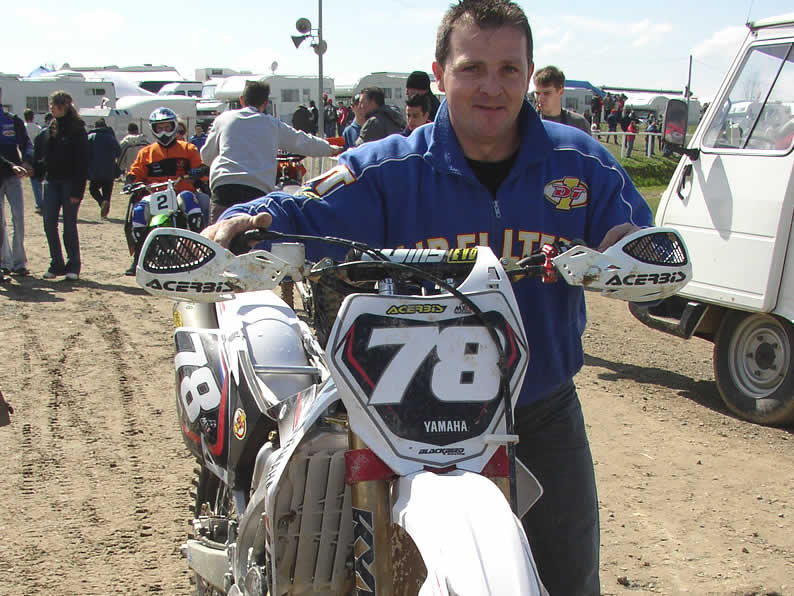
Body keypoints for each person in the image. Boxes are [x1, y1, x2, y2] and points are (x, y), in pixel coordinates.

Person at [203, 1, 651, 593]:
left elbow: (638, 237)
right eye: (472, 68)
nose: (492, 87)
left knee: (570, 577)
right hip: (398, 414)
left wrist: (633, 247)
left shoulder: (581, 162)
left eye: (509, 69)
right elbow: (308, 205)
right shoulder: (392, 166)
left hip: (537, 409)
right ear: (439, 74)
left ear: (530, 73)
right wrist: (246, 219)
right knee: (331, 566)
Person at [200, 80, 342, 224]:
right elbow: (303, 141)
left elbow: (206, 156)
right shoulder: (272, 125)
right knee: (255, 235)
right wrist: (331, 149)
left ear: (242, 100)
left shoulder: (223, 119)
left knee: (217, 234)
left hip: (224, 187)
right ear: (265, 103)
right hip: (256, 191)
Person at [124, 107, 205, 275]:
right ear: (153, 129)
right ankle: (139, 257)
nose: (163, 132)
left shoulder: (188, 149)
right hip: (154, 194)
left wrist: (198, 173)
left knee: (191, 204)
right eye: (159, 128)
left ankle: (200, 249)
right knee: (138, 213)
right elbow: (135, 172)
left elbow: (200, 168)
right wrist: (130, 181)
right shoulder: (146, 152)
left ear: (174, 126)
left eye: (167, 127)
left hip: (180, 192)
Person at [40, 91, 88, 280]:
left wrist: (78, 191)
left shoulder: (77, 129)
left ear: (65, 106)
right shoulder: (51, 128)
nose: (52, 108)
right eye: (51, 105)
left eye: (56, 105)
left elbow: (82, 162)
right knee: (48, 223)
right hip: (51, 182)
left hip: (70, 183)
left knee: (69, 226)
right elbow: (45, 157)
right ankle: (56, 263)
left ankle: (73, 266)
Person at [0, 87, 33, 278]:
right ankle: (4, 262)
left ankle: (19, 262)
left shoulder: (12, 120)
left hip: (14, 177)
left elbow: (26, 143)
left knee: (18, 218)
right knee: (0, 223)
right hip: (7, 171)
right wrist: (11, 165)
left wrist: (27, 160)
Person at [533, 65, 590, 135]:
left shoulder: (579, 124)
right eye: (537, 93)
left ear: (561, 91)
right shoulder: (528, 123)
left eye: (546, 93)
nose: (540, 99)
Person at [87, 118, 121, 219]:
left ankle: (101, 202)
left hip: (95, 170)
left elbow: (84, 152)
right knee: (107, 192)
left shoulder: (90, 137)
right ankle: (105, 210)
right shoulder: (111, 137)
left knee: (93, 189)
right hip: (109, 169)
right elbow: (118, 152)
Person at [30, 113, 52, 214]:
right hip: (50, 162)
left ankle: (40, 204)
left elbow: (36, 147)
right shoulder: (40, 129)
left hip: (39, 161)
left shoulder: (42, 132)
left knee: (36, 183)